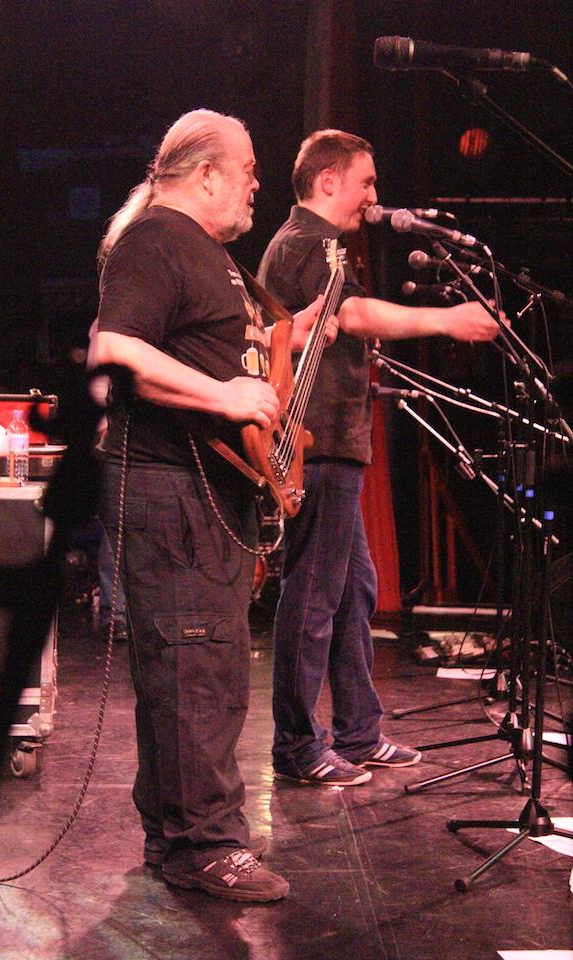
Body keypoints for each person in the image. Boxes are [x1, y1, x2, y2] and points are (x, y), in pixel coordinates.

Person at [93, 109, 335, 902]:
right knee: (195, 666)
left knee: (202, 666)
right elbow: (113, 352)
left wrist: (289, 339)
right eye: (249, 168)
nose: (258, 183)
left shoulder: (206, 254)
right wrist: (224, 394)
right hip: (169, 489)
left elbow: (224, 354)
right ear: (205, 174)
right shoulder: (157, 240)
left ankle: (180, 842)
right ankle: (206, 845)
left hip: (201, 491)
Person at [257, 129, 500, 787]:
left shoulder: (319, 244)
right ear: (328, 180)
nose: (373, 196)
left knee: (355, 589)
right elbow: (356, 315)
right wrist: (447, 321)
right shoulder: (307, 241)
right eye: (365, 181)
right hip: (317, 443)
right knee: (313, 594)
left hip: (334, 442)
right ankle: (295, 745)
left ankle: (358, 732)